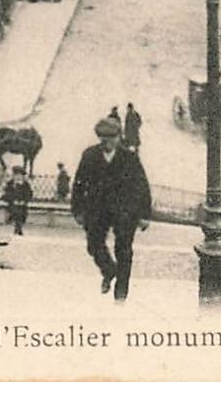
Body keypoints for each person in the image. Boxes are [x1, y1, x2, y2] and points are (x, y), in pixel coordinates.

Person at [71, 117, 153, 302]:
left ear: (118, 137)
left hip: (124, 212)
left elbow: (142, 186)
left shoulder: (129, 157)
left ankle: (121, 295)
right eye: (103, 137)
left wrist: (144, 215)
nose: (107, 141)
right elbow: (78, 183)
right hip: (97, 210)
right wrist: (77, 210)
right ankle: (109, 270)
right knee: (94, 245)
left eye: (111, 137)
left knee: (124, 251)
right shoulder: (90, 155)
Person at [1, 166, 33, 235]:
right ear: (14, 176)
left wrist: (24, 201)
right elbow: (6, 194)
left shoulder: (25, 184)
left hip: (22, 204)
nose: (18, 177)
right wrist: (12, 200)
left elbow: (29, 194)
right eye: (16, 175)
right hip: (12, 204)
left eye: (20, 175)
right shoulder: (10, 184)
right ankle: (18, 228)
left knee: (21, 213)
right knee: (16, 211)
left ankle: (18, 227)